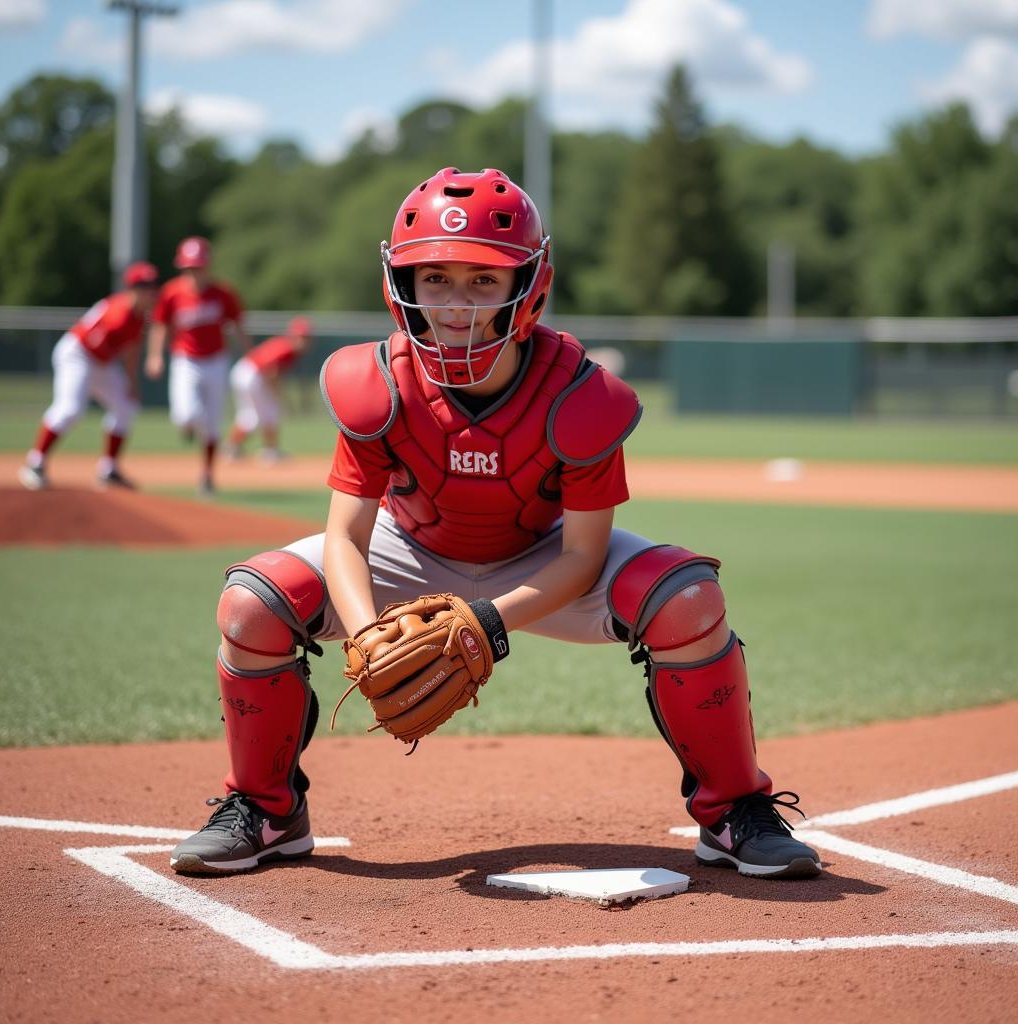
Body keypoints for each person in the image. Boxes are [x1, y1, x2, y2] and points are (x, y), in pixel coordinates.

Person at [170, 168, 822, 881]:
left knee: (688, 598)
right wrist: (366, 635)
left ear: (529, 286)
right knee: (252, 605)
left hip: (544, 559)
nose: (457, 304)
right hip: (407, 548)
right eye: (436, 278)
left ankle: (734, 812)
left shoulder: (581, 394)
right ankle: (265, 811)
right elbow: (346, 539)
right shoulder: (376, 385)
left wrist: (487, 625)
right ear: (402, 283)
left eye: (484, 281)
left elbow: (582, 557)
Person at [18, 261, 160, 491]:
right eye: (145, 285)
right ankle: (35, 464)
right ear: (132, 288)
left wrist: (132, 383)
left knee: (126, 405)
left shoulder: (140, 315)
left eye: (154, 285)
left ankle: (109, 470)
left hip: (101, 361)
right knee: (71, 409)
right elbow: (96, 345)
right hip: (78, 354)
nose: (151, 290)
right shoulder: (119, 313)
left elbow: (132, 351)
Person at [145, 236, 249, 496]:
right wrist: (155, 356)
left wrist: (249, 354)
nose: (194, 272)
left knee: (213, 424)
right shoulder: (172, 292)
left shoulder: (223, 292)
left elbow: (238, 325)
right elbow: (160, 325)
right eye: (189, 267)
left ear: (207, 266)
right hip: (186, 360)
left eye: (198, 266)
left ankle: (207, 475)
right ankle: (189, 427)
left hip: (216, 360)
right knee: (186, 414)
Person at [224, 316, 313, 462]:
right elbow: (271, 371)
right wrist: (278, 395)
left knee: (254, 414)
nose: (304, 341)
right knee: (267, 412)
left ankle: (233, 447)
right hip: (252, 374)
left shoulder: (285, 345)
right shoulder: (287, 348)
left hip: (247, 372)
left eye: (307, 338)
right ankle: (269, 451)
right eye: (302, 337)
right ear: (293, 336)